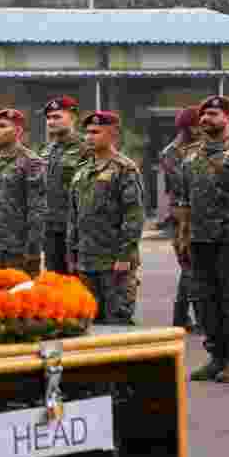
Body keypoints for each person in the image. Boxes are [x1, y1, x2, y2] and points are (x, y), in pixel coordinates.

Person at [175, 95, 229, 384]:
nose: (205, 119)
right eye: (203, 115)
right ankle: (216, 358)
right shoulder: (190, 154)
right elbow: (184, 200)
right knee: (204, 302)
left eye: (213, 114)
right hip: (199, 241)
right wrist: (183, 236)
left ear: (227, 117)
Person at [67, 111, 144, 324]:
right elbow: (74, 215)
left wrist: (125, 256)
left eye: (95, 132)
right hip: (86, 260)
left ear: (112, 135)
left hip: (113, 261)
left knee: (117, 320)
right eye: (87, 133)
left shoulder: (125, 168)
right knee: (89, 321)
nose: (88, 137)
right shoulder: (82, 170)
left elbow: (133, 215)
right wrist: (72, 253)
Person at [0, 108, 47, 275]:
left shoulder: (31, 162)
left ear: (18, 131)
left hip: (18, 249)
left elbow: (37, 210)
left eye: (2, 126)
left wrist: (33, 251)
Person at [159, 106, 202, 330]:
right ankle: (191, 318)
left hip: (200, 215)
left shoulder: (200, 147)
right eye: (194, 126)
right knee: (190, 267)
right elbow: (182, 183)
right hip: (182, 216)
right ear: (185, 128)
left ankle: (182, 317)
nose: (199, 129)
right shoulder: (172, 152)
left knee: (193, 268)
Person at [40, 96, 86, 275]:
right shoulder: (46, 150)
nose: (51, 121)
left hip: (76, 231)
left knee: (79, 282)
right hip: (51, 230)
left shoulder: (86, 148)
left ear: (73, 117)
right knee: (55, 284)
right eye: (49, 117)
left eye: (57, 117)